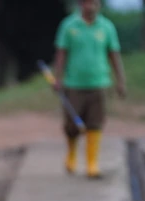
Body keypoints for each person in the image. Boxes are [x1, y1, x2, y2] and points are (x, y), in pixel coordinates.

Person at [52, 0, 127, 179]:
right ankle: (71, 156)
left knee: (95, 123)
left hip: (98, 83)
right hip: (74, 83)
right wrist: (58, 78)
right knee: (72, 124)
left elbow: (114, 54)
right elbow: (62, 53)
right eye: (87, 3)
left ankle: (92, 164)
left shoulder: (107, 27)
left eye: (94, 3)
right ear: (80, 4)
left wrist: (120, 81)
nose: (91, 6)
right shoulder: (69, 26)